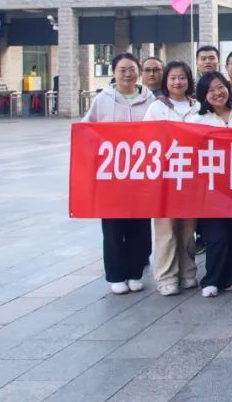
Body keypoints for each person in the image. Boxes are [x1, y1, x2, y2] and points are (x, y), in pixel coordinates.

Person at [82, 53, 154, 295]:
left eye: (132, 69)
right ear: (114, 72)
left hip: (142, 175)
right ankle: (115, 275)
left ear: (139, 72)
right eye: (122, 70)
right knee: (113, 228)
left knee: (140, 226)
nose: (128, 74)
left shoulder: (149, 99)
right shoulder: (103, 99)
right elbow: (86, 128)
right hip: (112, 177)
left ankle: (135, 272)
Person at [192, 72, 232, 297]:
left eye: (220, 87)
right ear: (203, 96)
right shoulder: (197, 120)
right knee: (217, 237)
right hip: (211, 188)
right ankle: (212, 279)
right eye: (210, 90)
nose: (217, 93)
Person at [143, 60, 201, 296]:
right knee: (166, 229)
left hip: (191, 177)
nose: (178, 82)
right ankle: (166, 276)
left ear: (189, 80)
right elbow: (147, 140)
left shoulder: (198, 107)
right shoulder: (156, 108)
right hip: (165, 178)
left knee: (188, 229)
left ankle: (188, 272)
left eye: (182, 77)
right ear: (166, 81)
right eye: (173, 78)